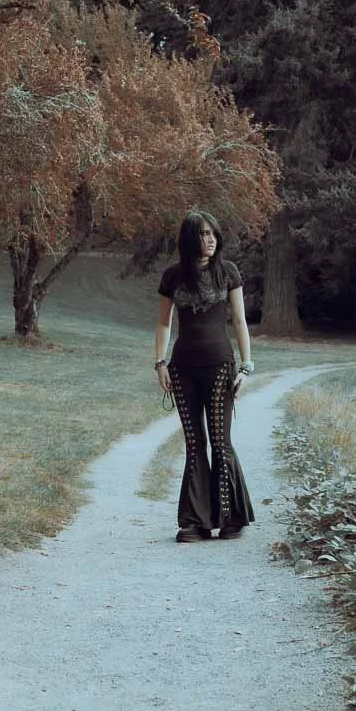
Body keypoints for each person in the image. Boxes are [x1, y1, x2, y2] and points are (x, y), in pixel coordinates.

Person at [153, 210, 256, 543]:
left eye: (213, 234)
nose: (210, 240)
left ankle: (231, 518)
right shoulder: (173, 277)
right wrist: (160, 363)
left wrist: (246, 367)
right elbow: (165, 323)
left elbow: (239, 322)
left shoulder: (228, 273)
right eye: (203, 234)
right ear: (189, 238)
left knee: (219, 440)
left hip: (220, 367)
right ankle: (194, 521)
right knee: (195, 443)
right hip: (182, 369)